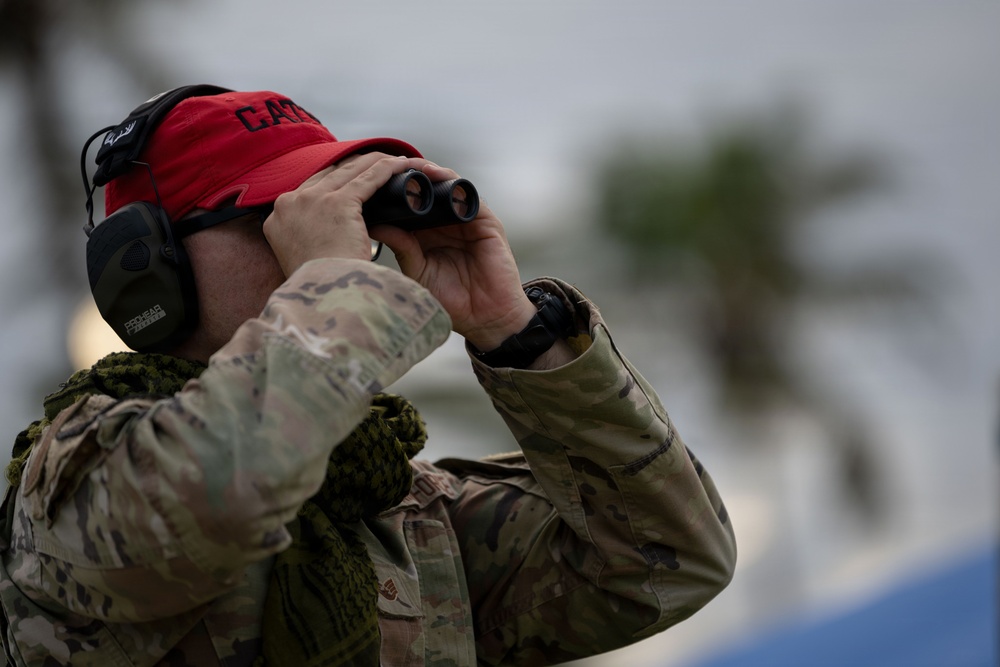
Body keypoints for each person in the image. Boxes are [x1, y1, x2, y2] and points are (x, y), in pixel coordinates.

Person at [0, 85, 736, 667]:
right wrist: (331, 281)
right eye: (276, 218)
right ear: (149, 263)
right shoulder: (77, 473)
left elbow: (665, 562)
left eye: (347, 218)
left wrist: (517, 332)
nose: (348, 248)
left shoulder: (398, 511)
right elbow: (221, 488)